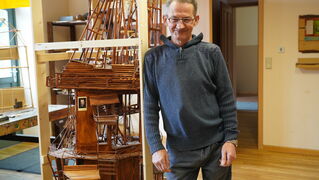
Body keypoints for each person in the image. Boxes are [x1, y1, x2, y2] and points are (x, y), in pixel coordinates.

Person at [143, 0, 239, 179]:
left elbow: (226, 99)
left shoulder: (212, 53)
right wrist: (156, 147)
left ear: (196, 20)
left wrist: (231, 140)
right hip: (178, 151)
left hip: (216, 146)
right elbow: (149, 108)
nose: (180, 26)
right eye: (174, 19)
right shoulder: (152, 59)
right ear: (165, 19)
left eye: (186, 19)